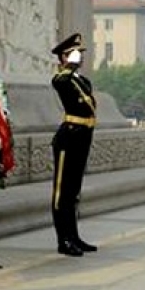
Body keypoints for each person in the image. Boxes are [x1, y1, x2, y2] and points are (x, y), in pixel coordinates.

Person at [50, 33, 98, 257]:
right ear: (64, 57)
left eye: (80, 54)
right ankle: (64, 240)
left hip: (82, 137)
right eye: (75, 54)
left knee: (74, 191)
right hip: (68, 138)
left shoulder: (82, 81)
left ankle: (74, 236)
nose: (80, 57)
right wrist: (69, 65)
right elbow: (60, 81)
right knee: (62, 192)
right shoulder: (62, 79)